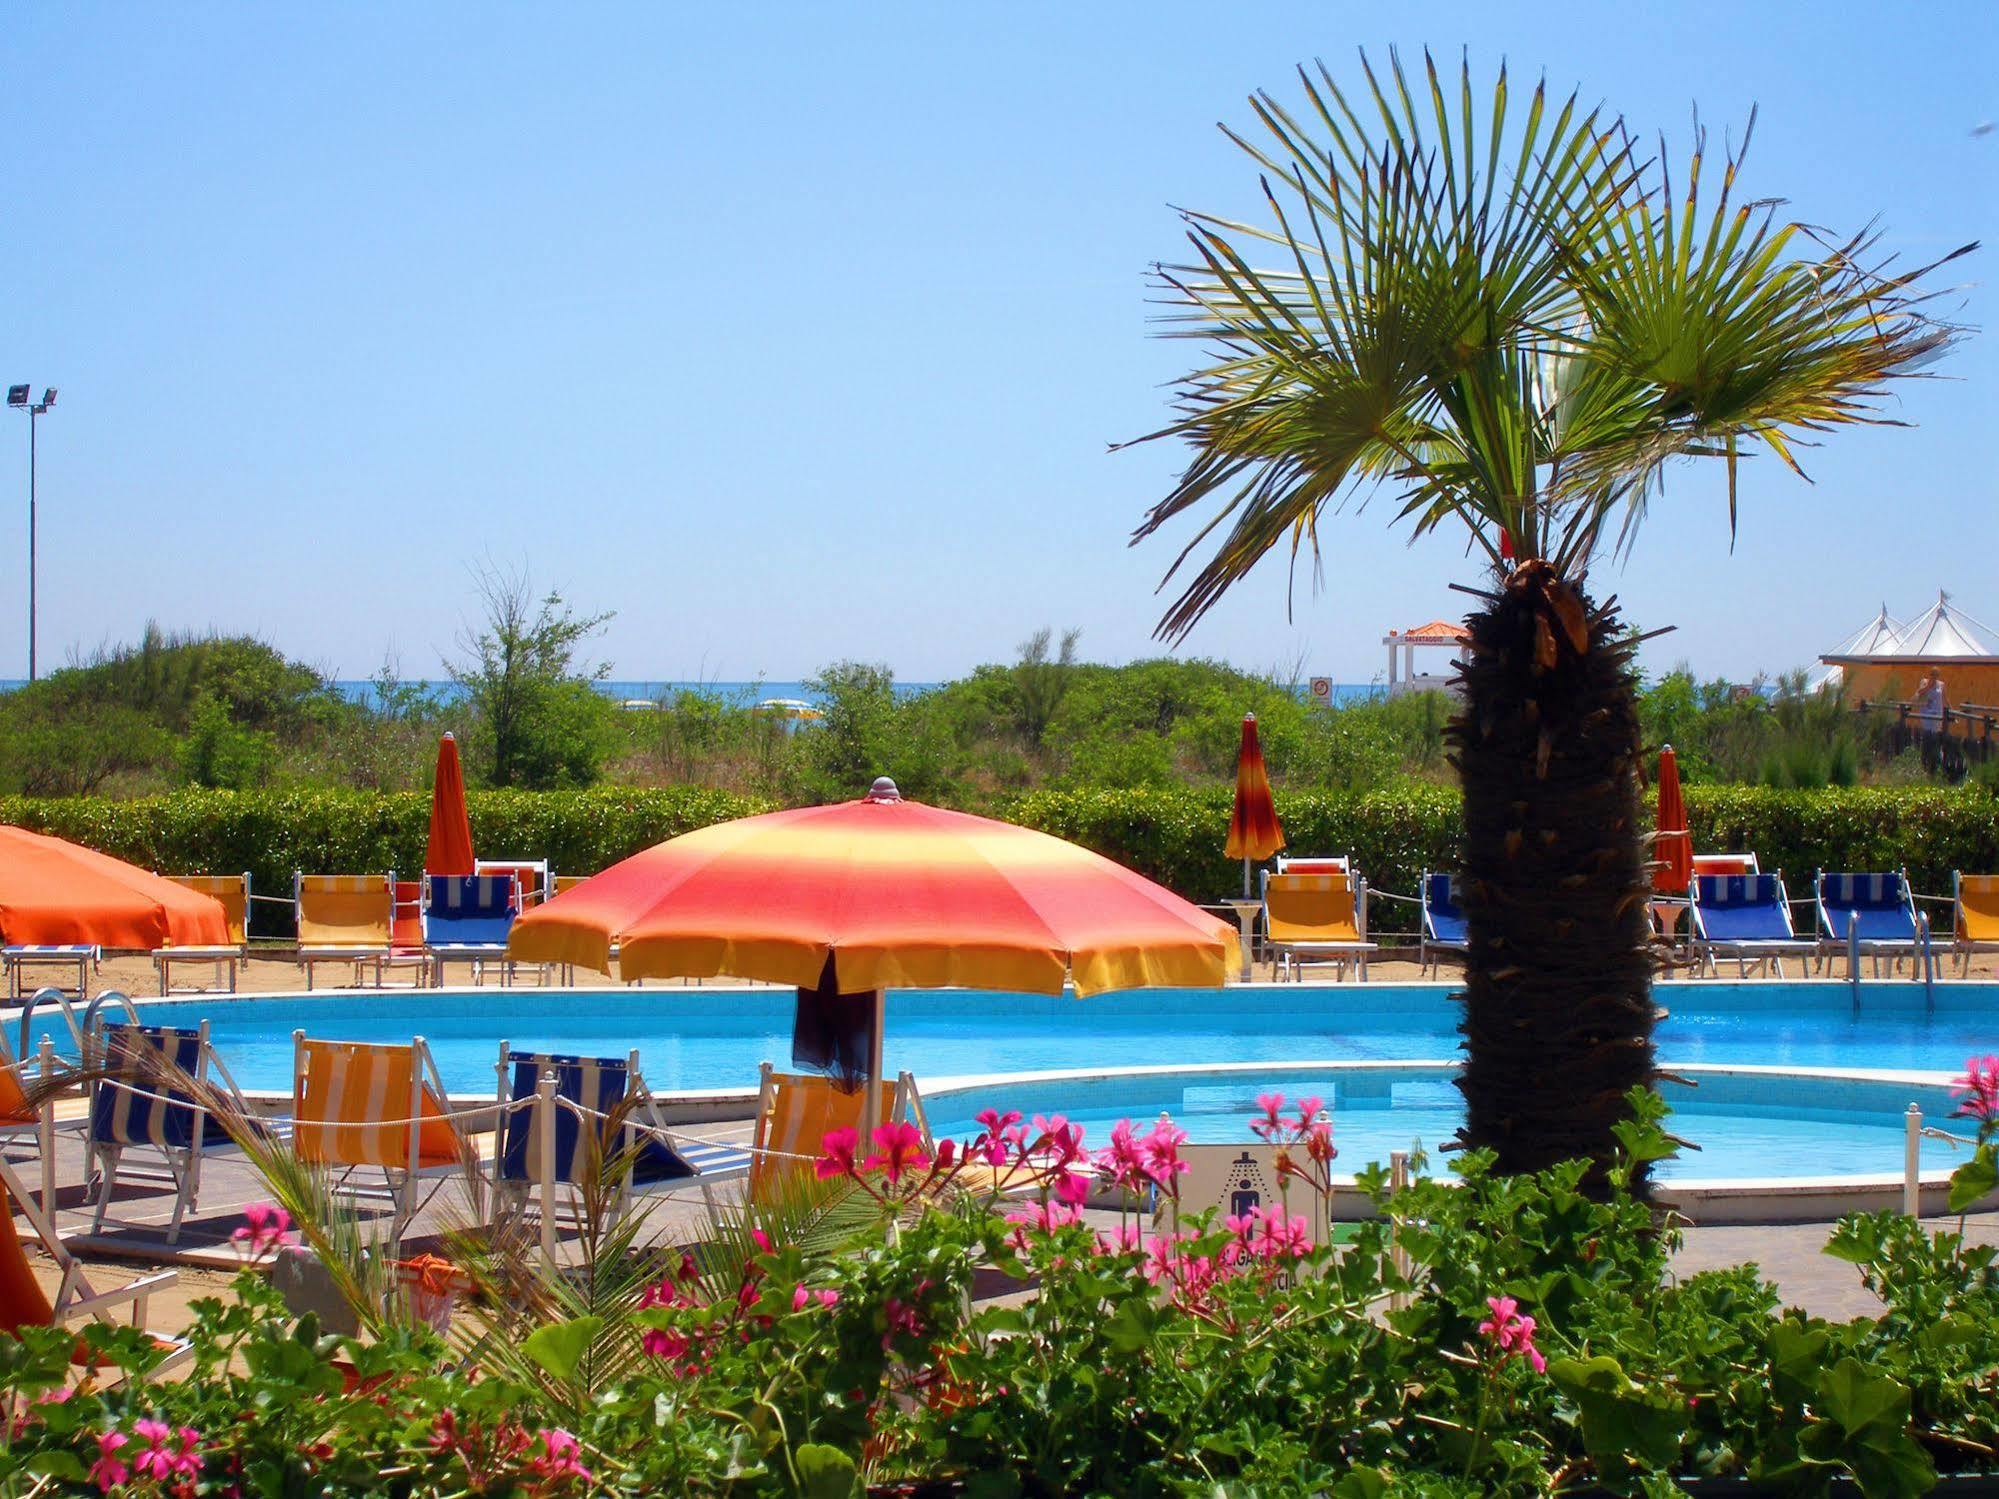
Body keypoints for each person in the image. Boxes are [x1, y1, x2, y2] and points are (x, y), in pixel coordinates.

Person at [1915, 668, 1948, 772]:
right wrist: (1928, 686)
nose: (1934, 676)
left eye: (1936, 675)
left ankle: (1936, 762)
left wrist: (1950, 709)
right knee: (1928, 735)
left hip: (1937, 714)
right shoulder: (1924, 682)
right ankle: (1925, 761)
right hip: (1927, 714)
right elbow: (1919, 693)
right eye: (1932, 674)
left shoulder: (1941, 685)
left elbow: (1944, 699)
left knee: (1936, 736)